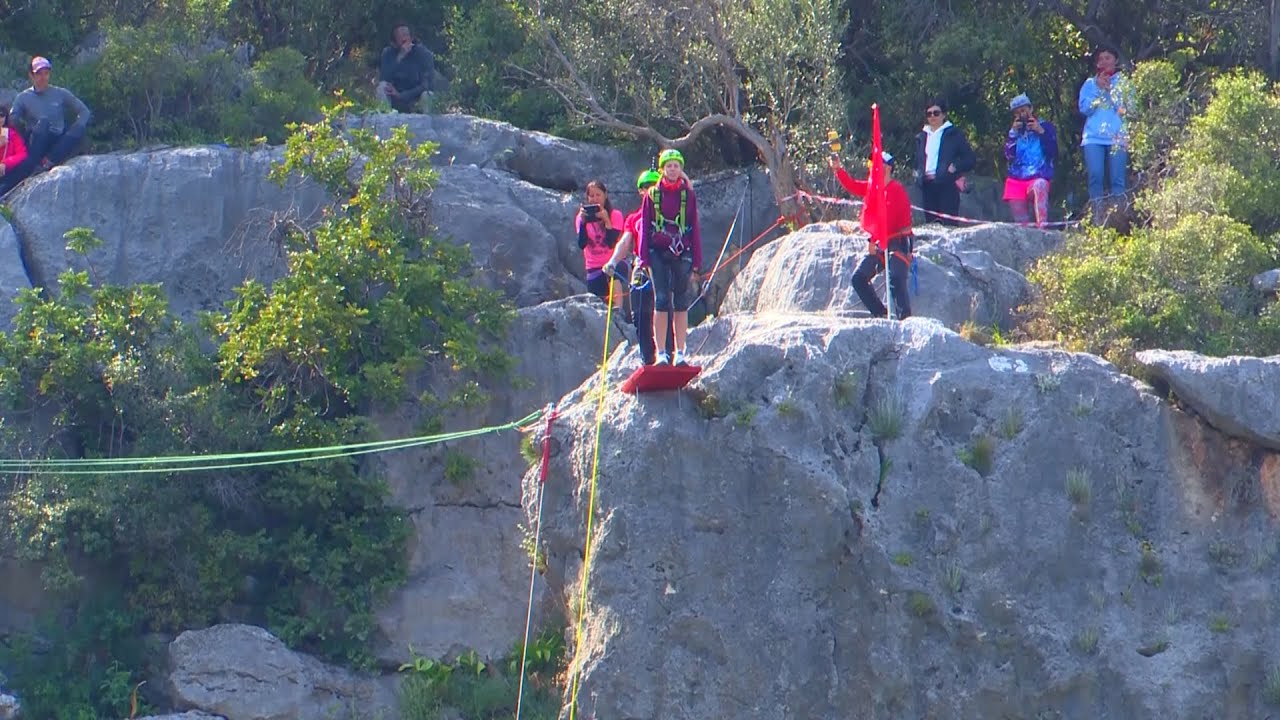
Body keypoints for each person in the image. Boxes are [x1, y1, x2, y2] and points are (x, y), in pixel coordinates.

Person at [829, 151, 914, 320]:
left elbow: (890, 220)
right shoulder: (873, 188)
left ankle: (904, 318)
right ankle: (880, 314)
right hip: (881, 242)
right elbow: (852, 185)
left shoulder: (896, 190)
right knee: (858, 278)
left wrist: (873, 239)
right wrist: (838, 169)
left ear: (888, 168)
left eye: (876, 164)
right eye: (870, 164)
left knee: (895, 277)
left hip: (898, 241)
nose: (871, 167)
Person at [636, 149, 702, 366]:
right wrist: (643, 258)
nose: (673, 169)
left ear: (681, 169)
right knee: (662, 299)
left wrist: (697, 260)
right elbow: (645, 226)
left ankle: (680, 352)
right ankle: (662, 353)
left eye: (676, 166)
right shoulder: (652, 195)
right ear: (663, 169)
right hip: (657, 250)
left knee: (681, 301)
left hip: (682, 251)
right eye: (669, 166)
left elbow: (694, 227)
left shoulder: (688, 195)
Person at [604, 169, 663, 365]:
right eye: (646, 187)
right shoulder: (634, 218)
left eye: (654, 186)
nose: (650, 190)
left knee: (664, 308)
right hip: (642, 264)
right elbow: (625, 241)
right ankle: (647, 356)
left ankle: (667, 353)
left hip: (665, 263)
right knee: (639, 311)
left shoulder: (671, 214)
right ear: (640, 191)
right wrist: (613, 261)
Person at [6, 56, 91, 186]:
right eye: (39, 74)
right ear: (31, 75)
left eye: (46, 73)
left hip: (57, 138)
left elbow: (84, 111)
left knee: (79, 129)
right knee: (43, 123)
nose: (43, 77)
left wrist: (79, 124)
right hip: (37, 139)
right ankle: (34, 163)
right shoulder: (23, 97)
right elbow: (12, 119)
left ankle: (48, 161)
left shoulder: (60, 93)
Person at [1078, 46, 1130, 212]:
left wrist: (1111, 93)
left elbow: (1129, 109)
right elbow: (1085, 109)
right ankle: (1097, 216)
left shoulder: (1124, 83)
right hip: (1093, 137)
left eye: (1108, 58)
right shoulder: (1089, 84)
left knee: (1118, 180)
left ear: (1115, 61)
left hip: (1117, 137)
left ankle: (1119, 216)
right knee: (1095, 176)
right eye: (1101, 59)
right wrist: (1099, 91)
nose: (1104, 62)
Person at [913, 99, 975, 226]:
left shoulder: (954, 134)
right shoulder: (922, 137)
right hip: (927, 186)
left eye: (936, 113)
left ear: (943, 115)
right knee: (931, 225)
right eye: (929, 114)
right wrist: (917, 174)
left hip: (947, 185)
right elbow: (917, 161)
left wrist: (955, 166)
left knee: (949, 224)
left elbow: (969, 159)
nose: (932, 116)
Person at [1003, 93, 1057, 228]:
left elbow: (1053, 152)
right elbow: (1009, 156)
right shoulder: (1014, 132)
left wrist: (1041, 131)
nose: (1021, 115)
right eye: (1017, 113)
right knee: (1022, 226)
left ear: (1030, 109)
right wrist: (1013, 135)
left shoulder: (1046, 126)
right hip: (1017, 178)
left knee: (1040, 185)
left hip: (1038, 176)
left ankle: (1043, 228)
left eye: (1023, 110)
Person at [575, 179, 626, 301]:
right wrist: (583, 224)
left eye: (598, 195)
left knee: (613, 274)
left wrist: (607, 221)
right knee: (598, 300)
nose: (595, 199)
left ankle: (617, 309)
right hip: (593, 266)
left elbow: (611, 243)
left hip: (614, 262)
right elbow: (581, 244)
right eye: (591, 196)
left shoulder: (615, 215)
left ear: (605, 195)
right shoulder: (581, 218)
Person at [377, 25, 436, 114]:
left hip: (415, 96)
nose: (405, 39)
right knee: (382, 87)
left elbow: (426, 85)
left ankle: (426, 119)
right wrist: (399, 57)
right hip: (394, 95)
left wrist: (402, 95)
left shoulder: (423, 53)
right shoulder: (388, 53)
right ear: (394, 43)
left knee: (428, 95)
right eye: (401, 38)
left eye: (406, 35)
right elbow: (384, 78)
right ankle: (385, 116)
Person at [0, 105, 30, 197]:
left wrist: (5, 163)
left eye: (2, 115)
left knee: (25, 166)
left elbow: (22, 153)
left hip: (6, 172)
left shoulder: (11, 133)